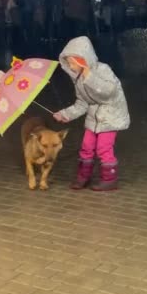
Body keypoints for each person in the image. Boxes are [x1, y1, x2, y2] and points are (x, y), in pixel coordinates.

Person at [53, 36, 130, 191]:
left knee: (103, 147)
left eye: (72, 62)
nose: (70, 65)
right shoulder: (78, 79)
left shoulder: (103, 70)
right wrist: (65, 114)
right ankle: (83, 177)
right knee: (86, 146)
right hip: (93, 118)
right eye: (68, 62)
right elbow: (82, 103)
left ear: (82, 59)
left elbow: (109, 92)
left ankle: (110, 179)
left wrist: (89, 76)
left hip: (110, 116)